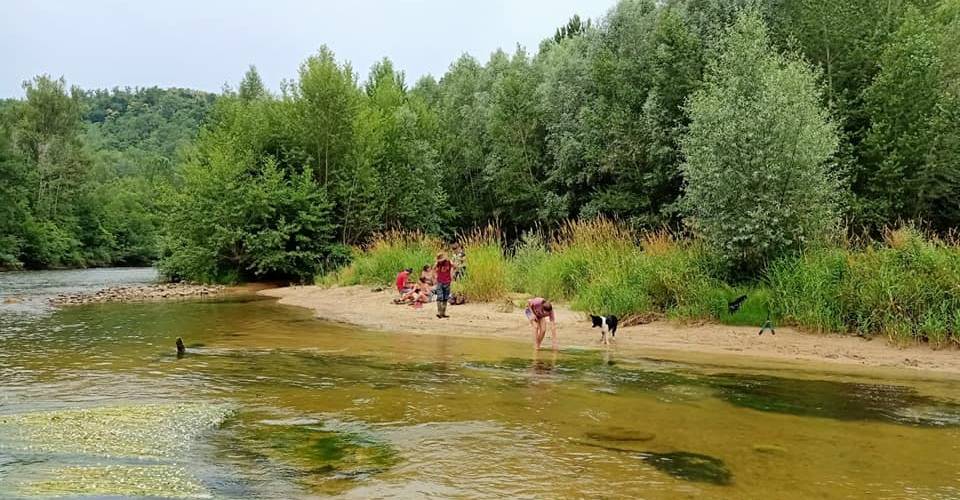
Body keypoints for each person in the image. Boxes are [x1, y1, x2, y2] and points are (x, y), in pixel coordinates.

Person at [433, 252, 454, 319]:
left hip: (447, 281)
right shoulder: (438, 263)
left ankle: (443, 313)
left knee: (445, 297)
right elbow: (433, 268)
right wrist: (435, 276)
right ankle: (439, 312)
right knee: (440, 297)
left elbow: (455, 267)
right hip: (440, 281)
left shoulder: (449, 262)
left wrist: (452, 274)